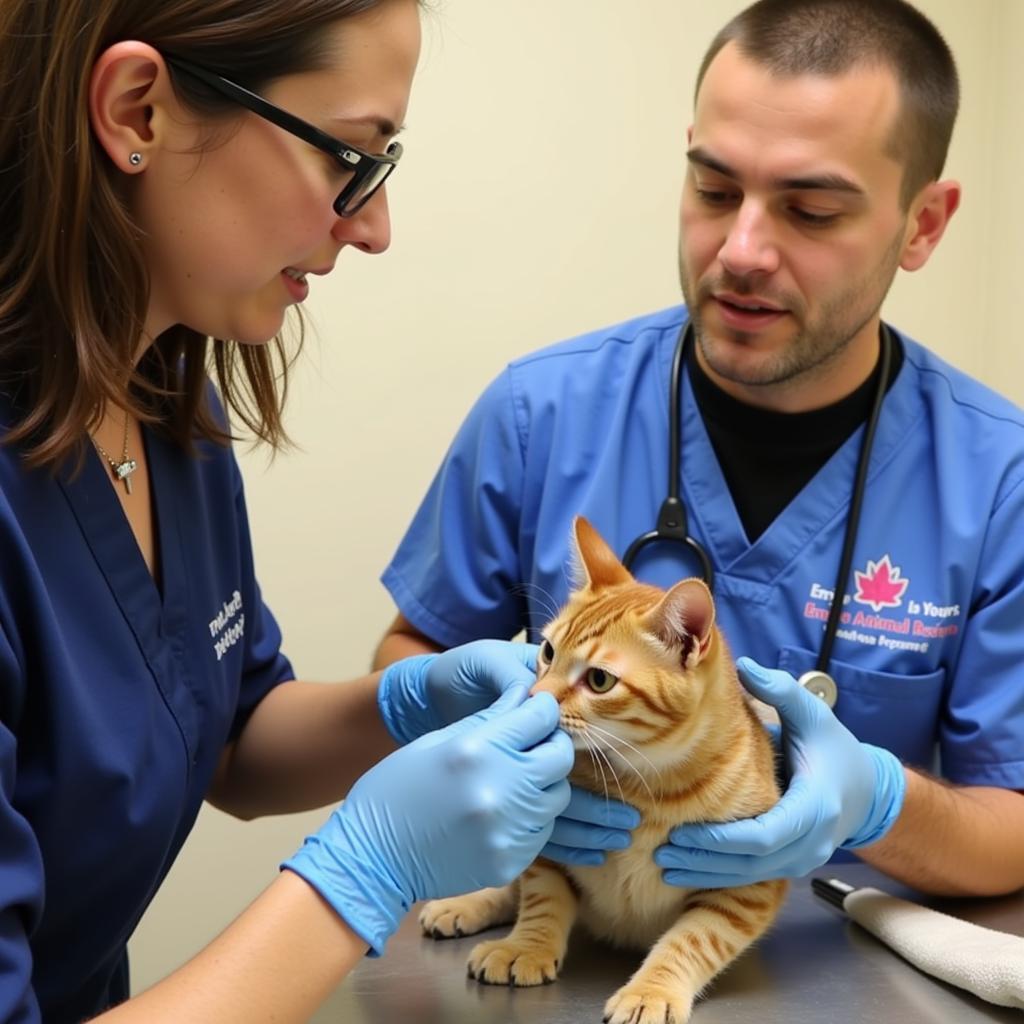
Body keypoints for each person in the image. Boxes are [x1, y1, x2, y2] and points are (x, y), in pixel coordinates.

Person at [0, 1, 636, 1020]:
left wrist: (405, 706)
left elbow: (231, 739)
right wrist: (364, 869)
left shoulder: (167, 408)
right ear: (137, 112)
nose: (373, 226)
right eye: (349, 155)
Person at [375, 0, 1024, 900]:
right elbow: (411, 655)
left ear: (924, 224)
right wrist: (473, 743)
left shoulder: (1000, 484)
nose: (742, 250)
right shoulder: (542, 412)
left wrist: (876, 805)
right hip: (571, 933)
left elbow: (1012, 825)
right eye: (715, 191)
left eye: (811, 209)